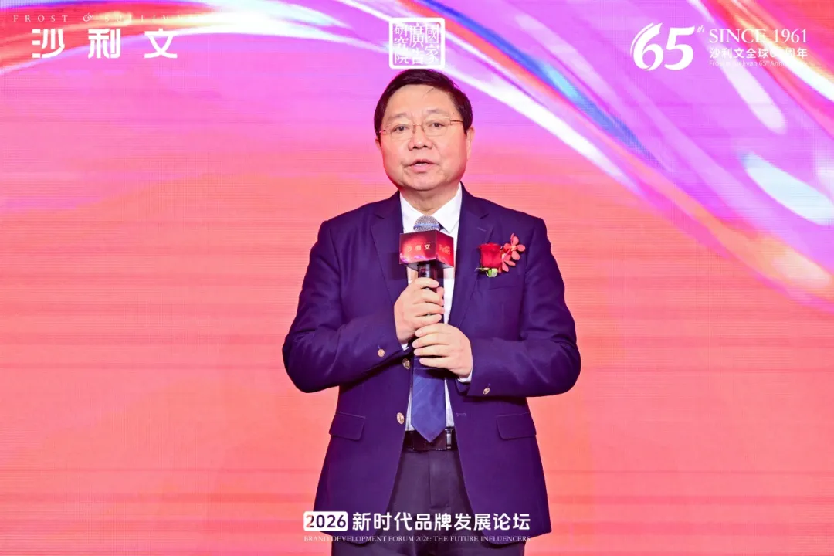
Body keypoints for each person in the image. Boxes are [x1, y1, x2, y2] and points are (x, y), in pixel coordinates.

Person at [282, 69, 581, 556]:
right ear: (380, 144)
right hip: (372, 479)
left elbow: (560, 358)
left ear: (468, 137)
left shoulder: (519, 234)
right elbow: (304, 360)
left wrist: (475, 359)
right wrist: (391, 329)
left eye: (436, 125)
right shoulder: (341, 237)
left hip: (487, 478)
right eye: (400, 128)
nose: (418, 140)